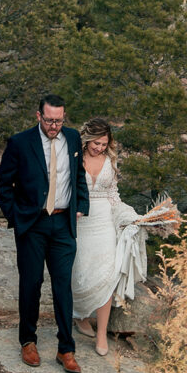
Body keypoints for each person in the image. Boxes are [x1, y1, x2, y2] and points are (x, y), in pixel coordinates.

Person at [0, 94, 90, 373]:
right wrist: (16, 216)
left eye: (59, 121)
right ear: (38, 116)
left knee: (63, 286)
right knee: (31, 283)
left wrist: (80, 205)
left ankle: (66, 348)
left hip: (63, 225)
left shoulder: (73, 139)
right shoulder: (19, 142)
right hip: (32, 225)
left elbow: (79, 175)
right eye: (49, 120)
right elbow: (3, 184)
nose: (54, 126)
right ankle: (28, 341)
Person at [70, 118, 148, 356]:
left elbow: (113, 194)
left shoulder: (110, 160)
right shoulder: (74, 157)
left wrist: (128, 216)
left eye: (104, 144)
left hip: (104, 221)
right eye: (96, 143)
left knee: (107, 274)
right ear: (87, 139)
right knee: (81, 274)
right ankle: (80, 316)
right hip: (80, 221)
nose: (99, 148)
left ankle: (102, 333)